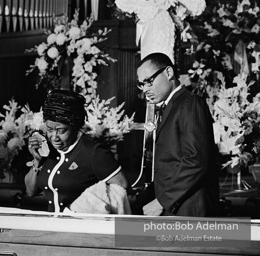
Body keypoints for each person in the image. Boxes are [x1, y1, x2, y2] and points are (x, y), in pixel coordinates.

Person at [138, 53, 219, 217]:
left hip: (190, 209)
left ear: (168, 73)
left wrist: (162, 201)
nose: (146, 89)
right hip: (175, 206)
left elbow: (195, 160)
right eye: (141, 84)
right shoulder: (170, 106)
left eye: (149, 81)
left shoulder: (190, 103)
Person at [24, 89, 128, 213]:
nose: (54, 137)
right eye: (50, 129)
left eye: (61, 131)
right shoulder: (48, 151)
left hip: (83, 227)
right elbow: (30, 192)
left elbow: (122, 188)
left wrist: (87, 206)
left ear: (75, 128)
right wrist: (37, 161)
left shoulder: (94, 152)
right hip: (53, 225)